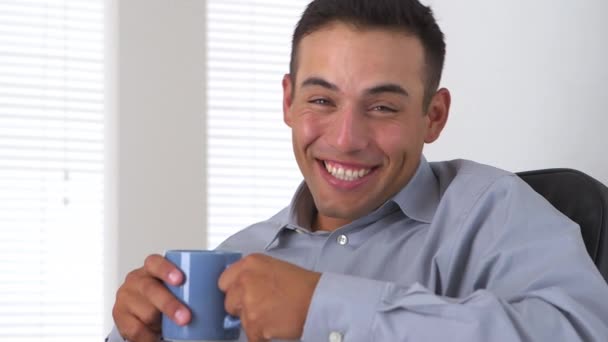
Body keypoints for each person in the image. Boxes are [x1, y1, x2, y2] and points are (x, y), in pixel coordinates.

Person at [108, 0, 608, 341]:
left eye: (383, 107)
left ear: (433, 116)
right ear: (288, 100)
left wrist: (322, 307)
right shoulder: (240, 256)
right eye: (322, 99)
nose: (346, 138)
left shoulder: (493, 210)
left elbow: (583, 330)